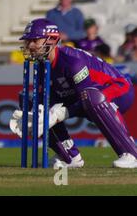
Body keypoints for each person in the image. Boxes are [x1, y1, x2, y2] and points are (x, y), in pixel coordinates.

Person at [10, 18, 137, 168]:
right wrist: (37, 111)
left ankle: (131, 154)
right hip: (82, 96)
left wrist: (58, 114)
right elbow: (48, 101)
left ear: (51, 40)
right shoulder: (42, 65)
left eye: (35, 40)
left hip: (119, 89)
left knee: (91, 97)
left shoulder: (72, 61)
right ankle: (69, 156)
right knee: (33, 102)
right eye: (28, 41)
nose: (30, 46)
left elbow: (85, 99)